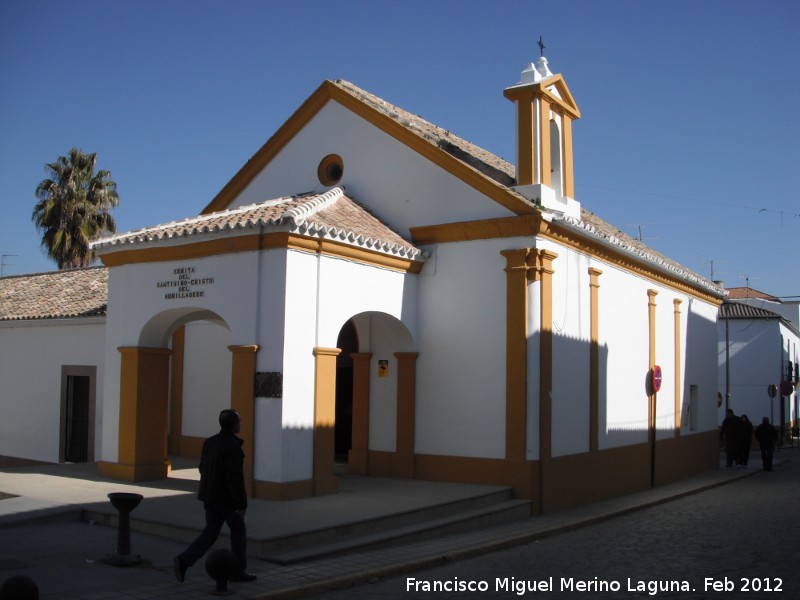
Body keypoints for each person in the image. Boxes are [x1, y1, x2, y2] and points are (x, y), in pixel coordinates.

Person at [174, 409, 256, 583]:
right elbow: (234, 478)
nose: (240, 424)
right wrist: (241, 503)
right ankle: (238, 571)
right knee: (238, 532)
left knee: (210, 533)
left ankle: (184, 560)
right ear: (234, 425)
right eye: (239, 421)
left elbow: (202, 468)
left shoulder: (210, 442)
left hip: (209, 496)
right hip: (226, 499)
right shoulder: (232, 446)